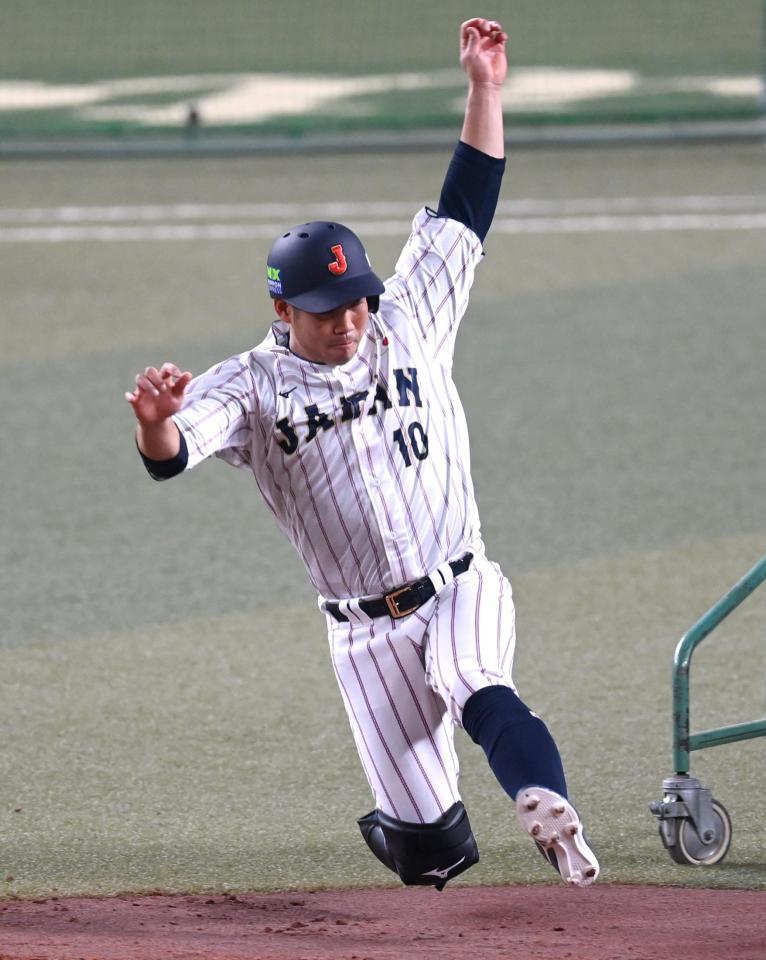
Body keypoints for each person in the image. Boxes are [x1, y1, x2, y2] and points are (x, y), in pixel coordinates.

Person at [126, 17, 599, 890]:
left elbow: (464, 208)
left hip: (460, 583)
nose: (348, 319)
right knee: (432, 855)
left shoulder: (410, 320)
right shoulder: (250, 387)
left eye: (356, 300)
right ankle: (417, 833)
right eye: (325, 307)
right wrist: (155, 419)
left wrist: (485, 87)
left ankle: (543, 798)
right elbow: (168, 455)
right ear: (283, 313)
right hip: (363, 635)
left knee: (477, 678)